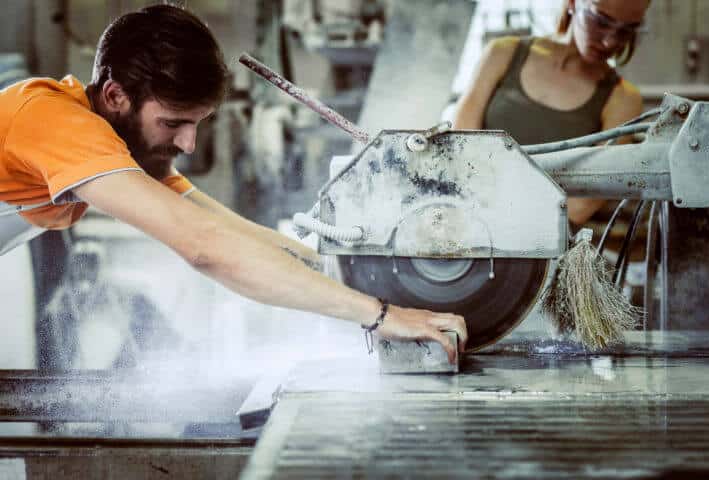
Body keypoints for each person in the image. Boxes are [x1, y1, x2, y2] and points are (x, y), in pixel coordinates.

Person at [0, 4, 466, 361]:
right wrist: (381, 317)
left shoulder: (109, 142)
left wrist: (346, 272)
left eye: (197, 123)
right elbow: (205, 248)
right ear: (116, 95)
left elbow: (221, 226)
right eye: (173, 123)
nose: (187, 143)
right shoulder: (54, 122)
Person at [454, 0, 649, 226]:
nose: (609, 41)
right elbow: (460, 147)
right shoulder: (502, 53)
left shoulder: (624, 99)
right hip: (470, 221)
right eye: (601, 21)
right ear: (573, 3)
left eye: (627, 30)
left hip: (545, 244)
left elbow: (584, 202)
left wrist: (518, 241)